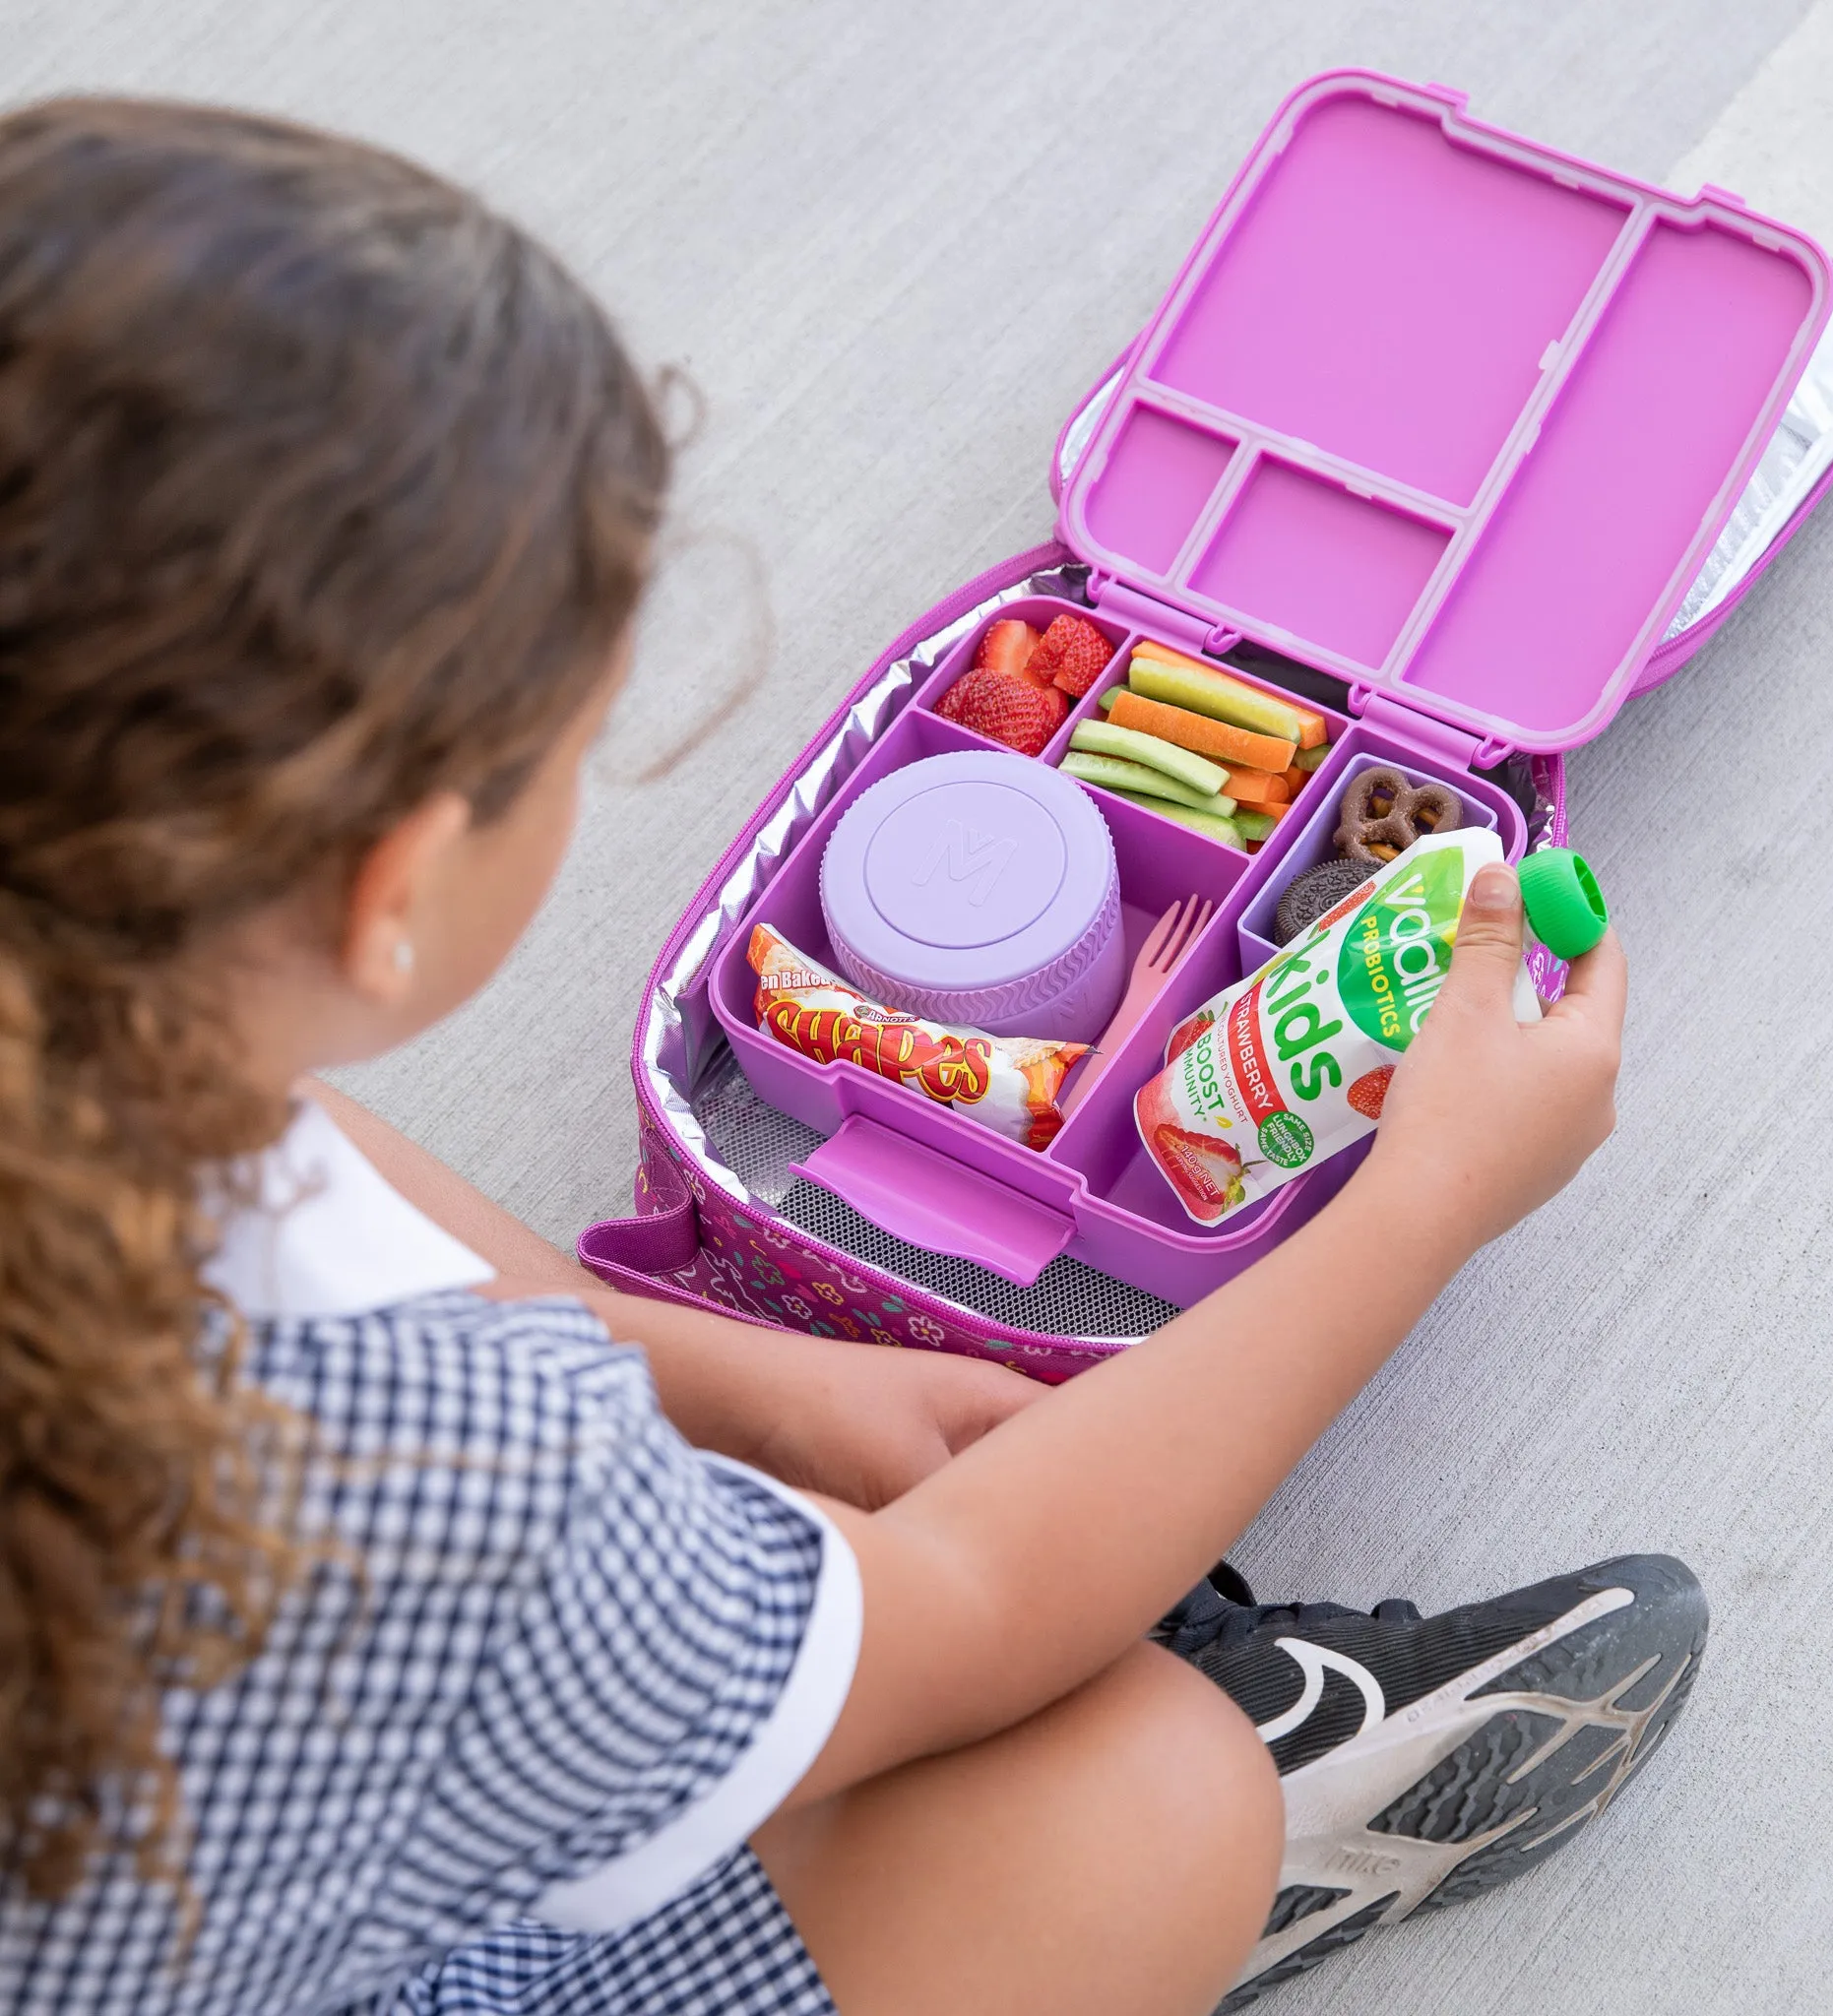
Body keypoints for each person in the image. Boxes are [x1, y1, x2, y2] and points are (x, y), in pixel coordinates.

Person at [0, 97, 1702, 2016]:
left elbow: (253, 1137)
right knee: (1149, 1793)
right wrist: (1428, 1200)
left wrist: (735, 1376)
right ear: (399, 879)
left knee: (807, 1559)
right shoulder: (457, 1488)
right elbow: (968, 1614)